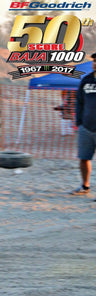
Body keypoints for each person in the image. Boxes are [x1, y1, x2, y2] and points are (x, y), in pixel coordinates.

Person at [72, 52, 96, 195]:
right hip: (86, 128)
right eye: (94, 60)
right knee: (83, 158)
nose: (95, 63)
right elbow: (79, 102)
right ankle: (85, 186)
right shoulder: (86, 80)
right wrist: (79, 123)